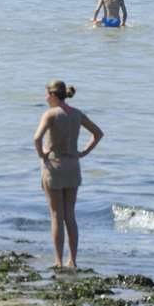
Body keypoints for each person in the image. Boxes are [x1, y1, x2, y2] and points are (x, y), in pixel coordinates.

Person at [33, 80, 104, 270]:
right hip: (73, 166)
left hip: (54, 167)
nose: (46, 98)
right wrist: (83, 152)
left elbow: (36, 138)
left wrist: (42, 154)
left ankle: (58, 260)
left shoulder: (50, 114)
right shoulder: (77, 114)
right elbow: (98, 133)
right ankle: (72, 260)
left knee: (56, 215)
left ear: (54, 95)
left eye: (47, 94)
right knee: (70, 216)